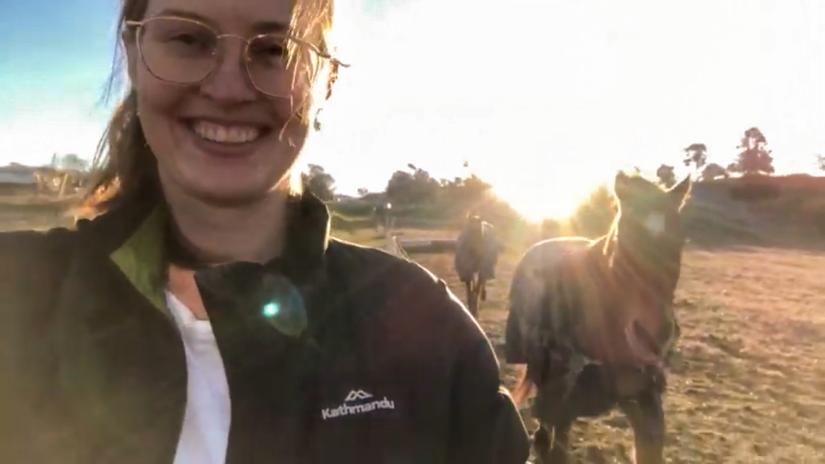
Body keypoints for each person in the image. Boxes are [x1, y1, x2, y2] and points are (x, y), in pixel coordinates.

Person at [0, 0, 529, 463]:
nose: (229, 88)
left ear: (329, 82)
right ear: (136, 54)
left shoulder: (429, 331)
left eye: (275, 50)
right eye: (187, 37)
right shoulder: (14, 295)